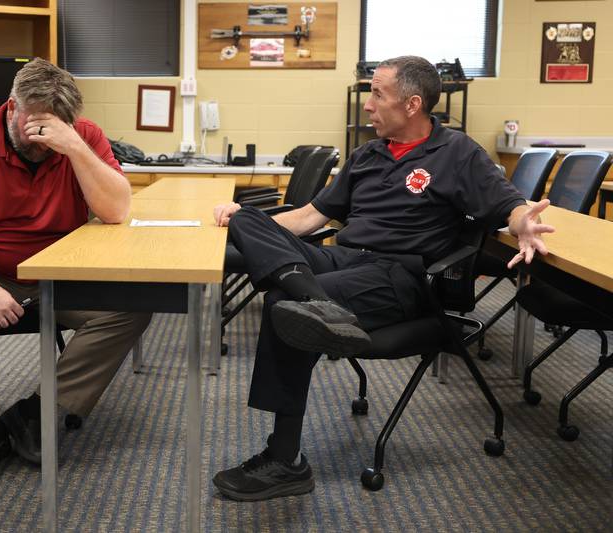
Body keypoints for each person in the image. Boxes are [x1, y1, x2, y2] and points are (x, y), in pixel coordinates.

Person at [210, 55, 554, 501]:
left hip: (400, 276)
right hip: (345, 260)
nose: (368, 105)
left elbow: (508, 205)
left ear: (412, 104)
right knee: (248, 218)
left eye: (377, 94)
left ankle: (285, 460)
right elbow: (312, 216)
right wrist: (245, 222)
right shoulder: (367, 154)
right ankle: (315, 301)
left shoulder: (457, 153)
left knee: (281, 304)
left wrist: (523, 221)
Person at [0, 58, 151, 486]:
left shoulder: (83, 137)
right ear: (11, 108)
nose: (43, 140)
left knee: (133, 304)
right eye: (35, 126)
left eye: (54, 127)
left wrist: (74, 147)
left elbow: (116, 211)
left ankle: (37, 413)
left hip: (61, 271)